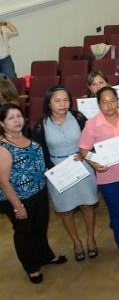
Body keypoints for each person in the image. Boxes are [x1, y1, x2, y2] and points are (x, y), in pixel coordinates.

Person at [0, 104, 67, 283]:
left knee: (40, 228)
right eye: (11, 118)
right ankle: (31, 268)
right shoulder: (3, 148)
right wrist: (18, 207)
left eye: (18, 116)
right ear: (2, 123)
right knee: (25, 233)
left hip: (39, 192)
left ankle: (45, 256)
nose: (16, 120)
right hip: (18, 199)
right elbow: (3, 182)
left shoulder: (26, 134)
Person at [32, 86, 98, 261]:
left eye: (66, 100)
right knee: (65, 209)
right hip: (58, 171)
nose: (62, 104)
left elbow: (92, 140)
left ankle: (90, 238)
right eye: (57, 101)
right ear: (49, 103)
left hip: (82, 166)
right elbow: (40, 152)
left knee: (88, 205)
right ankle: (76, 242)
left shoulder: (78, 117)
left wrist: (85, 153)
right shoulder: (40, 126)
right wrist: (51, 168)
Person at [79, 87, 119, 258]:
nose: (109, 105)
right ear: (99, 104)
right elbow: (84, 149)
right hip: (108, 177)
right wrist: (94, 163)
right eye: (104, 102)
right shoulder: (92, 124)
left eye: (112, 101)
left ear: (118, 101)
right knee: (117, 211)